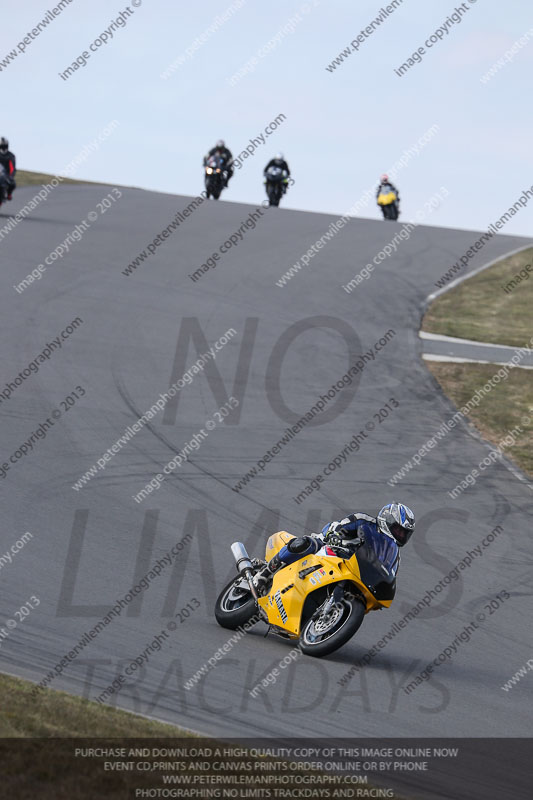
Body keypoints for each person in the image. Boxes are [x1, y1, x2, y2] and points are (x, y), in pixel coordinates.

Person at [253, 502, 415, 588]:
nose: (400, 535)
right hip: (331, 549)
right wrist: (335, 536)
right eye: (398, 530)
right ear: (387, 520)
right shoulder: (364, 521)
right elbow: (339, 525)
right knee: (306, 543)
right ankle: (266, 572)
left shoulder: (394, 555)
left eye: (404, 533)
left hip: (353, 571)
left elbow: (389, 574)